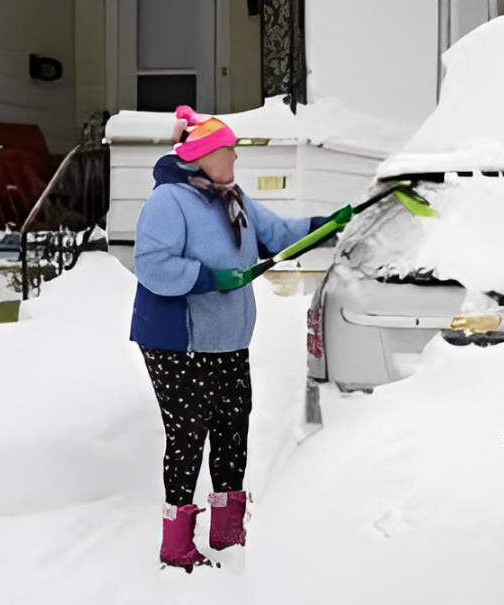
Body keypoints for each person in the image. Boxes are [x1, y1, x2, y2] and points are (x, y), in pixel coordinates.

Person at [130, 105, 342, 571]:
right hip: (177, 342)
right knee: (188, 435)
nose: (236, 159)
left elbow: (276, 234)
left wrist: (329, 225)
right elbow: (151, 264)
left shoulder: (232, 197)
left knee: (232, 430)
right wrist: (210, 279)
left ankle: (228, 533)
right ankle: (177, 544)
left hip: (228, 340)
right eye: (230, 150)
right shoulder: (169, 200)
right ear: (204, 155)